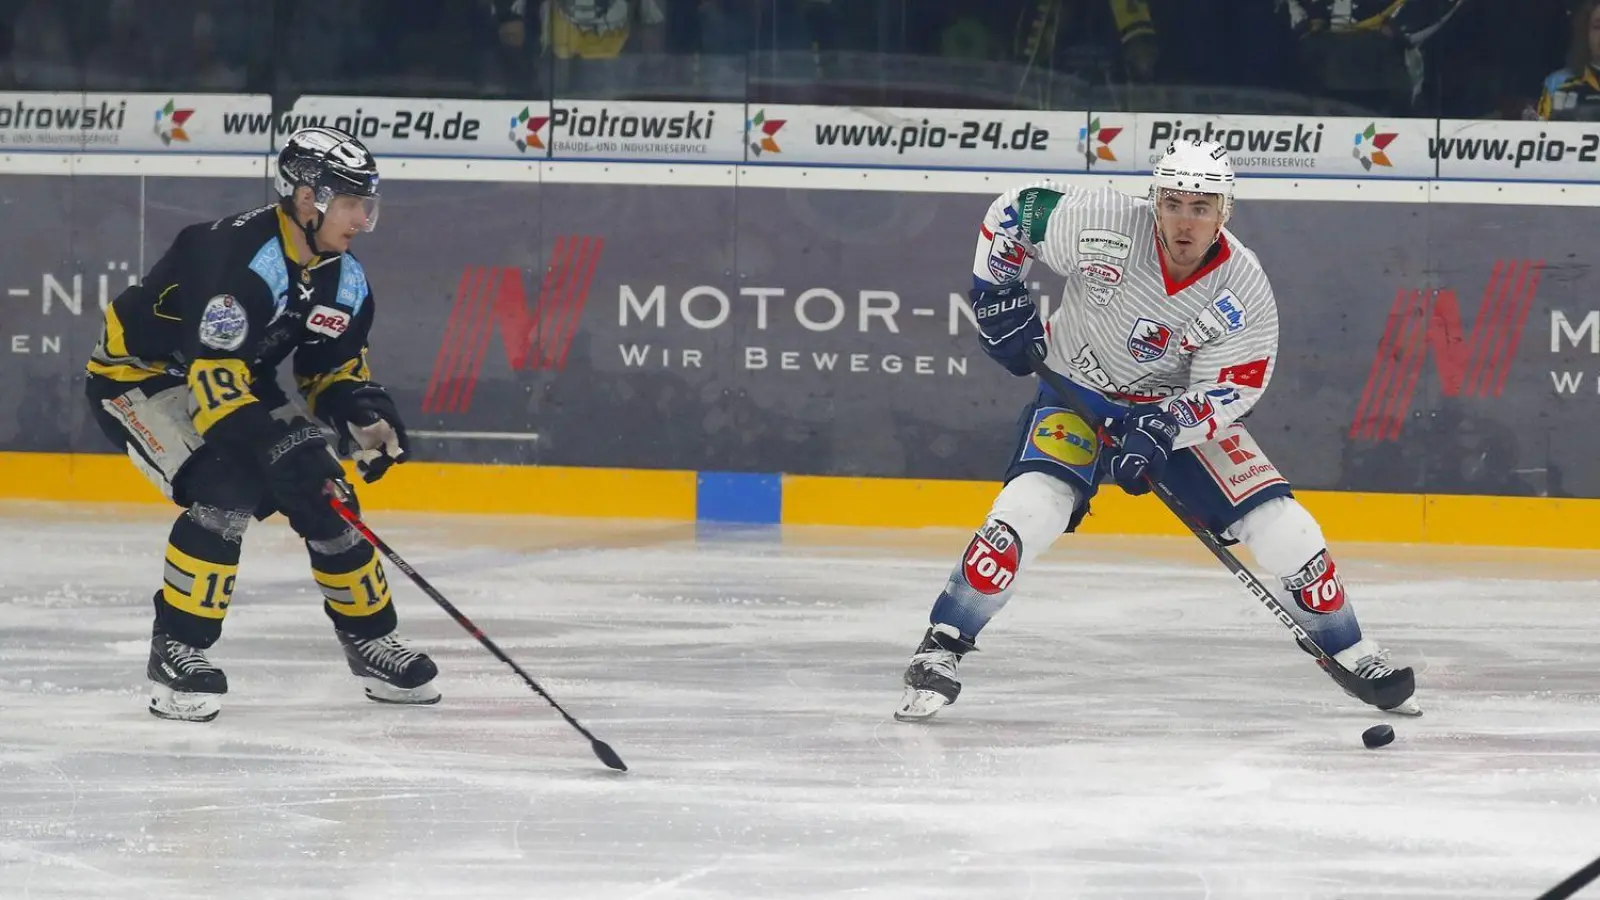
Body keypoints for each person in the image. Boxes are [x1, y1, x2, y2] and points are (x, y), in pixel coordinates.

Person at [894, 138, 1420, 723]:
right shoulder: (1101, 222)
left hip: (1176, 417)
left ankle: (1350, 648)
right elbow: (1013, 213)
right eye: (1173, 203)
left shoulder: (1241, 286)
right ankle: (941, 646)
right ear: (1154, 201)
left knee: (1288, 529)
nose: (1185, 221)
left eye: (1201, 207)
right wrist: (997, 294)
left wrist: (1167, 424)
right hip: (1077, 396)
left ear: (1226, 212)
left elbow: (1237, 385)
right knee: (1026, 513)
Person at [83, 126, 438, 722]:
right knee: (226, 488)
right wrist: (279, 446)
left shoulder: (342, 277)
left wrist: (363, 415)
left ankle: (369, 641)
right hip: (143, 378)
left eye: (365, 205)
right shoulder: (238, 261)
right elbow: (212, 383)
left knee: (328, 494)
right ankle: (177, 651)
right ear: (307, 199)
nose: (360, 219)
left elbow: (332, 368)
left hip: (233, 376)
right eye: (350, 203)